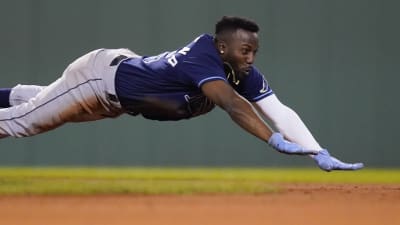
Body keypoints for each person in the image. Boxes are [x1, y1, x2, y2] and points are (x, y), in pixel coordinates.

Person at [0, 16, 363, 171]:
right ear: (222, 48)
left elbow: (278, 109)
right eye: (244, 51)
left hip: (113, 97)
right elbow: (232, 105)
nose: (250, 57)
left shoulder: (240, 70)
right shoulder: (204, 56)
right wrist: (272, 140)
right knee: (25, 123)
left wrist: (318, 151)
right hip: (99, 78)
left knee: (37, 101)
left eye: (254, 51)